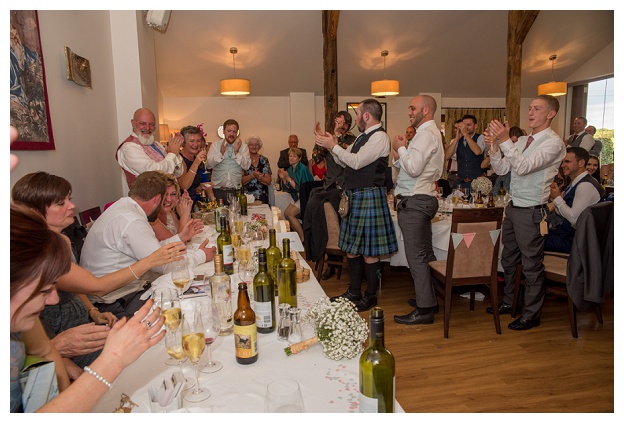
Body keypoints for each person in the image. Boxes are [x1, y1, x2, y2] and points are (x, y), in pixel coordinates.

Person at [11, 172, 183, 376]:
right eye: (60, 203)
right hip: (62, 329)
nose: (71, 206)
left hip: (84, 317)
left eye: (69, 199)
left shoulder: (62, 241)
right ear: (34, 211)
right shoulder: (35, 254)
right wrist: (150, 261)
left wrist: (92, 311)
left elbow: (77, 286)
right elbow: (97, 285)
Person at [10, 204, 166, 413]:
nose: (53, 299)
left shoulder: (21, 316)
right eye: (43, 291)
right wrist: (113, 360)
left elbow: (45, 351)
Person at [80, 171, 215, 318]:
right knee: (196, 312)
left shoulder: (122, 207)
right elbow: (165, 266)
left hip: (118, 294)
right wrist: (201, 256)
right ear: (157, 199)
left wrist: (180, 237)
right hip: (116, 302)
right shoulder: (133, 221)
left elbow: (154, 252)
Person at [485, 94, 566, 331]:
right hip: (513, 208)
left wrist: (505, 141)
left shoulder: (553, 143)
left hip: (532, 211)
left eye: (537, 109)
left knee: (531, 265)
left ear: (550, 114)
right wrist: (495, 144)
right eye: (530, 108)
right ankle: (511, 302)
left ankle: (532, 314)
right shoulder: (522, 141)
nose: (530, 112)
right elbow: (501, 168)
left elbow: (523, 167)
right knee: (509, 259)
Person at [314, 99, 398, 312]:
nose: (356, 119)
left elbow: (357, 161)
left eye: (358, 114)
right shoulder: (362, 136)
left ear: (367, 116)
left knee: (369, 252)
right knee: (352, 249)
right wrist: (331, 145)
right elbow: (344, 161)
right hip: (355, 196)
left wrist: (334, 145)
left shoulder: (380, 137)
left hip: (369, 196)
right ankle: (353, 292)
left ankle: (370, 296)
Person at [391, 95, 445, 325]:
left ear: (426, 109)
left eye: (413, 108)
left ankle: (425, 309)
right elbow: (412, 165)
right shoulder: (428, 134)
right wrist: (400, 154)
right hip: (422, 199)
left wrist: (402, 148)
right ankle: (429, 298)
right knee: (425, 254)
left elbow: (412, 168)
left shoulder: (425, 134)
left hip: (416, 201)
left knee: (417, 257)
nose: (409, 112)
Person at [304, 110, 357, 279]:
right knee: (321, 214)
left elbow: (347, 157)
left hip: (344, 187)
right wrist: (320, 141)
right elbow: (317, 158)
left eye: (340, 122)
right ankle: (323, 254)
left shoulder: (352, 140)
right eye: (335, 121)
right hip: (329, 185)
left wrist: (333, 140)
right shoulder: (329, 138)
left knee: (338, 219)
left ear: (347, 125)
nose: (336, 124)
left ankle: (344, 259)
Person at [545, 147, 605, 253]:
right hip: (568, 234)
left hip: (576, 240)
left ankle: (529, 269)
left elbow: (574, 219)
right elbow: (565, 212)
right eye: (562, 162)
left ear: (581, 163)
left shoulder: (585, 185)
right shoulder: (575, 182)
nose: (563, 165)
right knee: (531, 233)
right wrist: (557, 199)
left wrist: (557, 198)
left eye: (567, 162)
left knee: (530, 239)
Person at [116, 108, 183, 188]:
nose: (147, 128)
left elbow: (178, 172)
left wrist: (175, 151)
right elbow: (155, 173)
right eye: (143, 123)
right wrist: (172, 153)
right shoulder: (129, 147)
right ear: (133, 123)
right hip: (147, 199)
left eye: (151, 124)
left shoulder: (157, 144)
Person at [205, 119, 251, 204]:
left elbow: (247, 166)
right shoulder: (215, 146)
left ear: (237, 132)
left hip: (236, 190)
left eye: (234, 131)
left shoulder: (243, 147)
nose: (231, 134)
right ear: (223, 131)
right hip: (217, 190)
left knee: (237, 216)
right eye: (229, 131)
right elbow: (208, 165)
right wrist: (220, 153)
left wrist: (237, 153)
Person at [150, 173, 202, 242]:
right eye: (164, 194)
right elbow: (176, 246)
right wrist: (185, 214)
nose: (169, 199)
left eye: (173, 194)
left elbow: (187, 238)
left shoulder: (170, 213)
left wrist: (186, 208)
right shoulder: (152, 218)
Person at [277, 147, 313, 241]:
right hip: (297, 197)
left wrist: (288, 179)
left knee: (291, 215)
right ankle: (299, 235)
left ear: (299, 158)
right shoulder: (290, 169)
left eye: (294, 156)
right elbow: (288, 189)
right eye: (290, 156)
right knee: (286, 213)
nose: (291, 158)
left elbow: (301, 188)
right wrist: (284, 179)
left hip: (306, 197)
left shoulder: (302, 169)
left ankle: (303, 238)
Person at [445, 114, 486, 190]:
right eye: (464, 125)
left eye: (469, 125)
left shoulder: (480, 137)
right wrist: (457, 138)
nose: (466, 127)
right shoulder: (458, 140)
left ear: (475, 126)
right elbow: (447, 156)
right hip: (460, 181)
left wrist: (466, 135)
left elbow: (477, 151)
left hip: (477, 182)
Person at [176, 125, 213, 204]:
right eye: (192, 141)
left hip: (194, 204)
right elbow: (184, 186)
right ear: (183, 143)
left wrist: (199, 187)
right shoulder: (179, 159)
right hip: (181, 205)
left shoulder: (196, 159)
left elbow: (192, 186)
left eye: (198, 141)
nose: (196, 144)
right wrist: (196, 162)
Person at [492, 125, 523, 195]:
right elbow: (500, 169)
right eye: (512, 142)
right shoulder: (505, 148)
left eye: (516, 142)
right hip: (505, 181)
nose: (514, 145)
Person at [242, 135, 272, 204]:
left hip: (262, 197)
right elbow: (240, 181)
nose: (254, 147)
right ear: (247, 146)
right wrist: (252, 175)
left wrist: (260, 178)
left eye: (256, 145)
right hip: (247, 198)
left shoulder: (264, 160)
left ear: (259, 147)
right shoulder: (243, 160)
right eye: (251, 145)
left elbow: (268, 181)